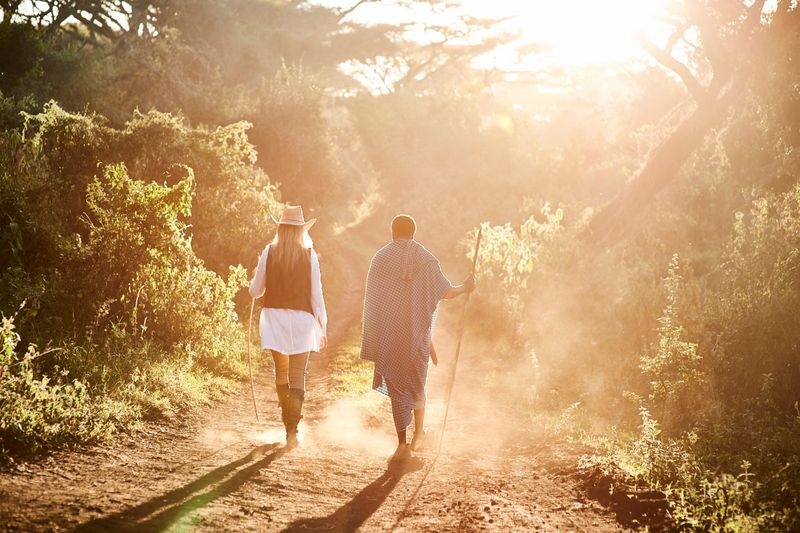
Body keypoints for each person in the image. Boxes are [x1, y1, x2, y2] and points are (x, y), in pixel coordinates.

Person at [360, 214, 474, 461]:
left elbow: (372, 303)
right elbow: (446, 292)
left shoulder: (379, 259)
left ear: (392, 232)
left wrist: (372, 338)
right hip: (418, 338)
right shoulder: (427, 260)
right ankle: (419, 434)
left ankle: (402, 443)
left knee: (397, 388)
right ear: (413, 233)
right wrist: (465, 287)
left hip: (389, 336)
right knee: (417, 385)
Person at [249, 205, 327, 446]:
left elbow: (255, 290)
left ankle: (287, 421)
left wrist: (254, 276)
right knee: (297, 375)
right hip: (302, 320)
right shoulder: (310, 254)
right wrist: (322, 325)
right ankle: (292, 431)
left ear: (280, 228)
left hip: (274, 319)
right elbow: (316, 294)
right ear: (301, 230)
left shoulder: (268, 252)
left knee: (281, 373)